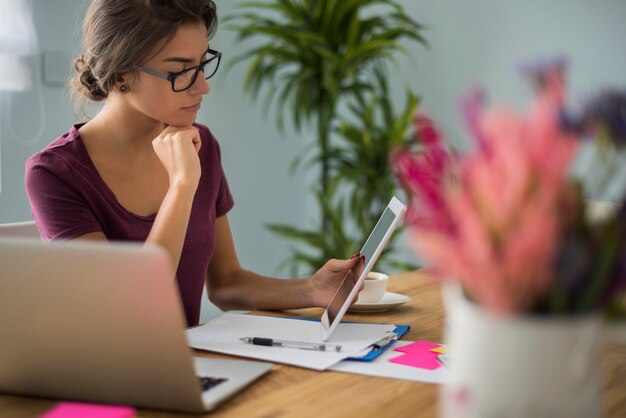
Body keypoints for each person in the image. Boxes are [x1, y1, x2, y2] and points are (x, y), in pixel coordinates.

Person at [25, 0, 363, 327]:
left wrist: (312, 289)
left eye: (201, 64)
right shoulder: (54, 174)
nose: (203, 86)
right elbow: (128, 302)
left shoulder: (202, 145)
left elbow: (226, 283)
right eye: (180, 71)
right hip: (109, 376)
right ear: (120, 76)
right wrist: (182, 185)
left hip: (192, 366)